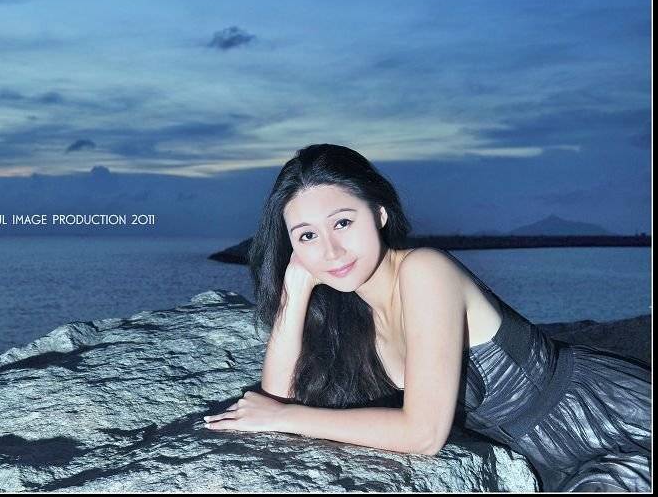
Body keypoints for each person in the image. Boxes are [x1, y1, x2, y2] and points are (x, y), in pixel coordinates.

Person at [203, 143, 652, 492]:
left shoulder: (425, 270)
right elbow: (276, 394)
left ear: (379, 214)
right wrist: (295, 292)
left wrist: (286, 418)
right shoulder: (350, 311)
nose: (331, 251)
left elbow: (422, 435)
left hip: (608, 429)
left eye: (342, 223)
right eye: (307, 236)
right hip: (540, 458)